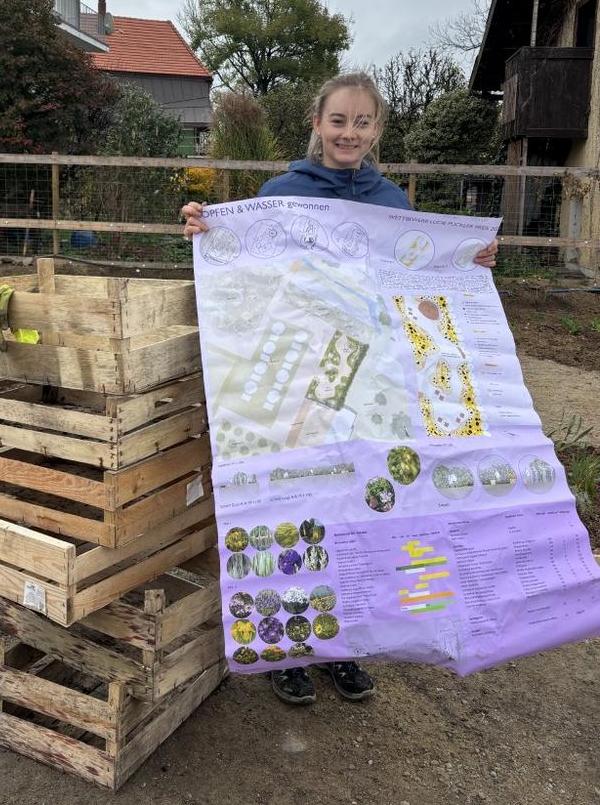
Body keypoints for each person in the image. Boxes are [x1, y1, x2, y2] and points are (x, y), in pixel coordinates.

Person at [181, 72, 498, 707]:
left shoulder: (392, 203)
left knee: (359, 506)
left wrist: (466, 261)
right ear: (317, 124)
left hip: (371, 379)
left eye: (362, 122)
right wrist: (206, 230)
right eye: (338, 121)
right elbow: (249, 271)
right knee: (298, 499)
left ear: (377, 129)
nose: (349, 133)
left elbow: (414, 276)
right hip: (301, 373)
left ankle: (344, 642)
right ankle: (290, 646)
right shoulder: (281, 195)